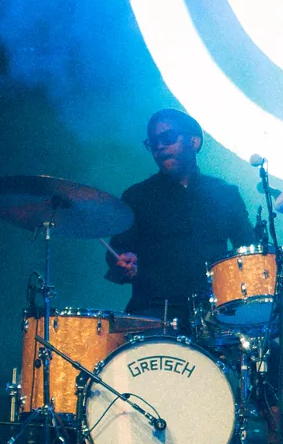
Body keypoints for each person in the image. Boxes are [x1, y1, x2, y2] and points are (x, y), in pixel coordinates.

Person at [105, 108, 253, 333]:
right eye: (153, 143)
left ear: (194, 142)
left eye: (167, 138)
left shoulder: (225, 193)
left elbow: (248, 249)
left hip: (215, 314)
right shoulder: (137, 197)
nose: (160, 147)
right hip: (154, 314)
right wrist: (124, 262)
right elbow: (116, 252)